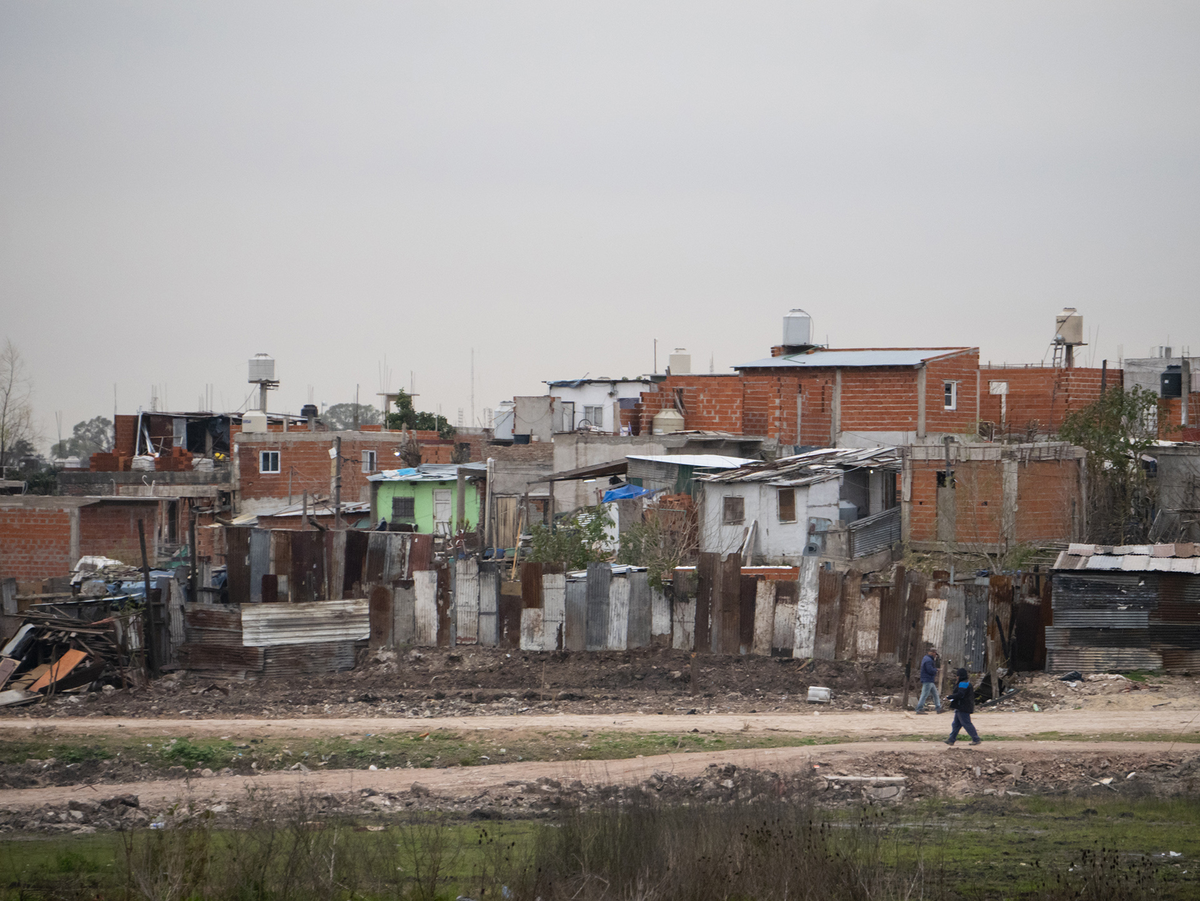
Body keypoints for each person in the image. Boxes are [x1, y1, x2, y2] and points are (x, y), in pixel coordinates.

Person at [944, 667, 982, 746]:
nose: (956, 677)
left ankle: (976, 739)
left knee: (966, 724)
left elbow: (960, 694)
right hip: (961, 706)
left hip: (963, 707)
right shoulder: (966, 683)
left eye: (957, 675)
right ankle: (951, 739)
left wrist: (950, 697)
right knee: (956, 724)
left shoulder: (963, 684)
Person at [915, 647, 942, 714]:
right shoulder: (929, 660)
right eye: (935, 653)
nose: (935, 655)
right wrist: (936, 670)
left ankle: (938, 707)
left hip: (929, 680)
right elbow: (930, 670)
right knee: (924, 694)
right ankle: (919, 708)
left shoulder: (926, 658)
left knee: (935, 694)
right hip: (928, 679)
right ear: (932, 653)